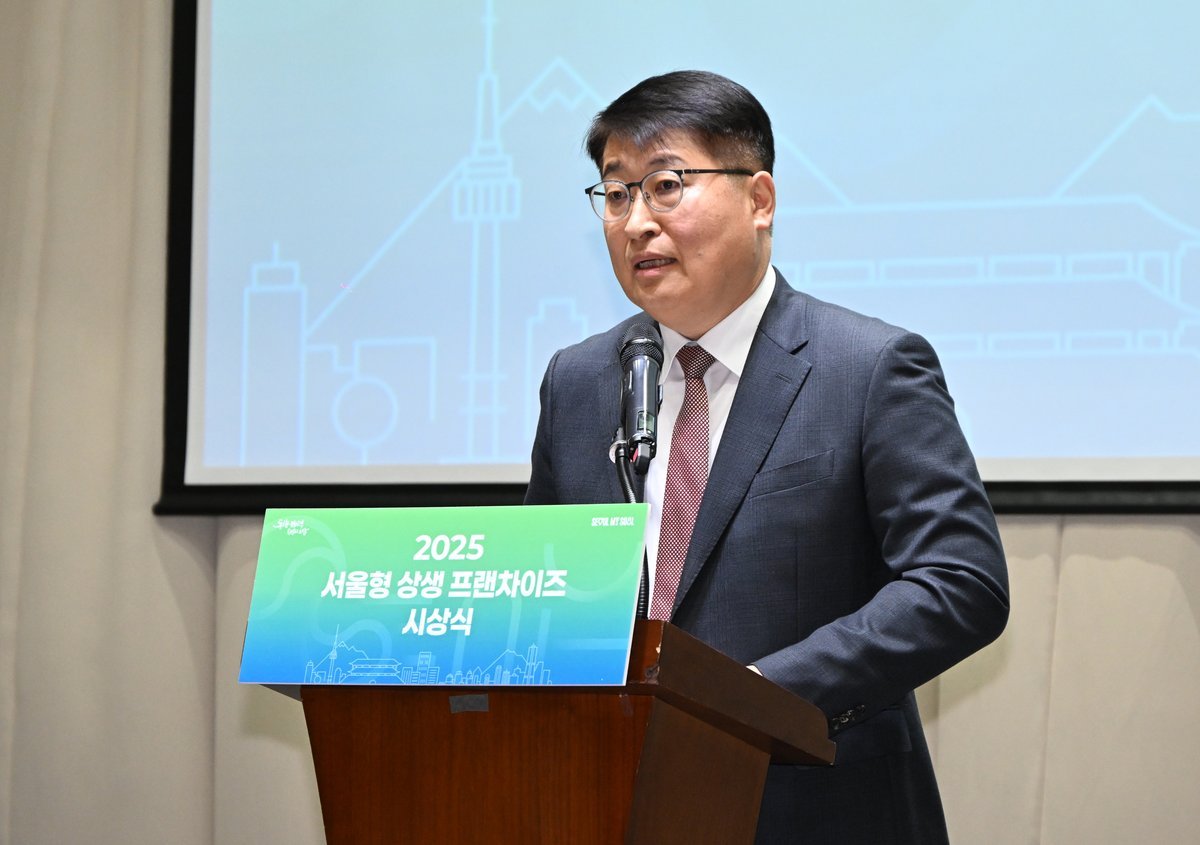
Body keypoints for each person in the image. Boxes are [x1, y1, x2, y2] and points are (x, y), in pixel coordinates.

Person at [524, 70, 1009, 844]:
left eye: (666, 185)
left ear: (760, 200)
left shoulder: (867, 368)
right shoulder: (579, 382)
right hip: (613, 801)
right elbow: (542, 592)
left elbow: (960, 582)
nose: (636, 221)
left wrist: (755, 696)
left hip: (815, 807)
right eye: (615, 194)